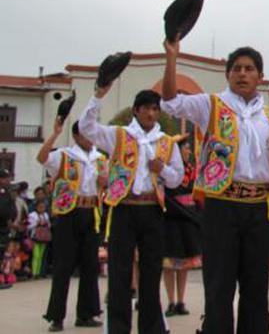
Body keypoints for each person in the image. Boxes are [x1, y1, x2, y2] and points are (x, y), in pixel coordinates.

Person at [161, 42, 269, 334]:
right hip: (221, 205)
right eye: (236, 68)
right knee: (219, 284)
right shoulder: (211, 105)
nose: (242, 73)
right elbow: (171, 102)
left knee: (255, 286)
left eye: (249, 69)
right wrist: (172, 58)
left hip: (258, 205)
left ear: (259, 76)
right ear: (227, 75)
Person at [79, 85, 183, 334]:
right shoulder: (120, 135)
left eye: (155, 109)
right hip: (124, 208)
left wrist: (162, 169)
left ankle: (152, 327)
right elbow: (87, 128)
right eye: (146, 108)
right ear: (136, 111)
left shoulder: (167, 143)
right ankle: (117, 328)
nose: (151, 113)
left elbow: (177, 179)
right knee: (120, 273)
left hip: (152, 208)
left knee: (151, 271)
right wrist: (97, 96)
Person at [38, 119, 107, 330]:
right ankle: (56, 316)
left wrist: (105, 182)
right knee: (63, 266)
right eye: (86, 134)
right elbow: (42, 158)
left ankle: (86, 313)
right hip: (68, 214)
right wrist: (55, 134)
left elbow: (109, 184)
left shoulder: (100, 159)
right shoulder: (65, 155)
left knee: (89, 265)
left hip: (91, 212)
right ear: (77, 136)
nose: (90, 138)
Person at [162, 139, 202, 318]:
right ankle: (170, 301)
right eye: (185, 149)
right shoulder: (168, 171)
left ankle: (181, 300)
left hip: (188, 219)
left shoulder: (192, 171)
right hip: (171, 219)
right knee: (170, 264)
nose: (188, 152)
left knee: (184, 263)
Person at [0, 168, 15, 290]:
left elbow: (11, 209)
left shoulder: (6, 191)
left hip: (4, 228)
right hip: (1, 226)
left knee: (1, 255)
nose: (7, 180)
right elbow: (3, 210)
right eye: (5, 178)